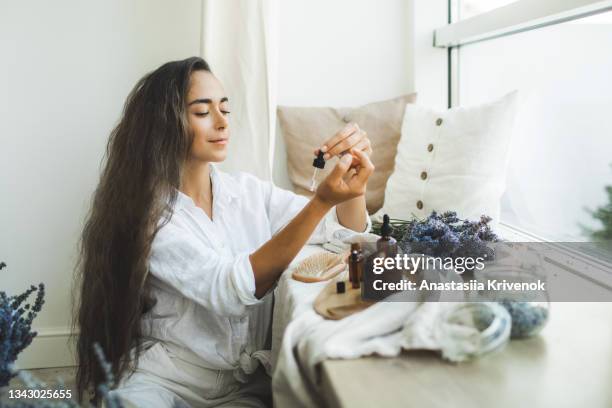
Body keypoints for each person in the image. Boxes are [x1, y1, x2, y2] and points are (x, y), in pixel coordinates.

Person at [73, 56, 374, 407]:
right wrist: (321, 200)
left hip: (244, 389)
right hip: (168, 380)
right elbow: (230, 288)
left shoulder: (248, 192)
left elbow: (338, 230)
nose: (221, 122)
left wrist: (355, 185)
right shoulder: (149, 215)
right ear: (163, 123)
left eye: (225, 109)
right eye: (202, 112)